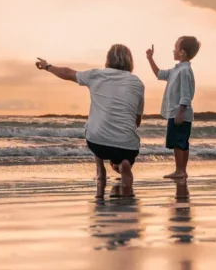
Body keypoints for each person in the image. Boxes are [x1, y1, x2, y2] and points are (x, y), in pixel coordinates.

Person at [35, 45, 144, 198]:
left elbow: (67, 72)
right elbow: (136, 121)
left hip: (98, 143)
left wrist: (47, 66)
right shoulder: (137, 83)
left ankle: (100, 170)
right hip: (127, 146)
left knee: (95, 125)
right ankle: (122, 164)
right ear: (130, 62)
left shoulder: (96, 75)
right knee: (123, 148)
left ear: (108, 60)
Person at [145, 37, 200, 179]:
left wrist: (180, 112)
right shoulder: (176, 70)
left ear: (182, 52)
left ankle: (180, 170)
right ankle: (182, 170)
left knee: (178, 143)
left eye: (175, 48)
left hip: (179, 113)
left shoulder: (185, 71)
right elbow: (159, 74)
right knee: (181, 142)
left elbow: (186, 94)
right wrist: (150, 59)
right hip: (176, 112)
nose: (173, 50)